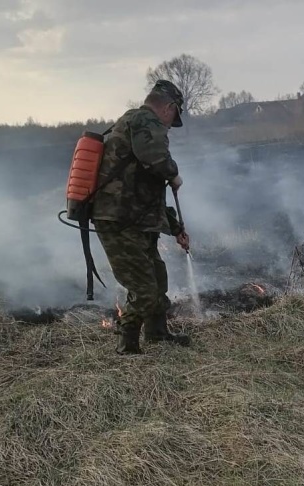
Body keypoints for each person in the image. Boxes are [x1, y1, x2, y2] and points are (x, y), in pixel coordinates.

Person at [92, 80, 191, 354]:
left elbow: (147, 193)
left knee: (157, 279)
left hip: (135, 219)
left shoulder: (135, 123)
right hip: (120, 221)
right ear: (168, 108)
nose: (170, 125)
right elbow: (155, 158)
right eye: (173, 117)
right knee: (144, 288)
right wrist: (173, 173)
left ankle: (158, 334)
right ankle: (128, 345)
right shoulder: (145, 120)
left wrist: (176, 227)